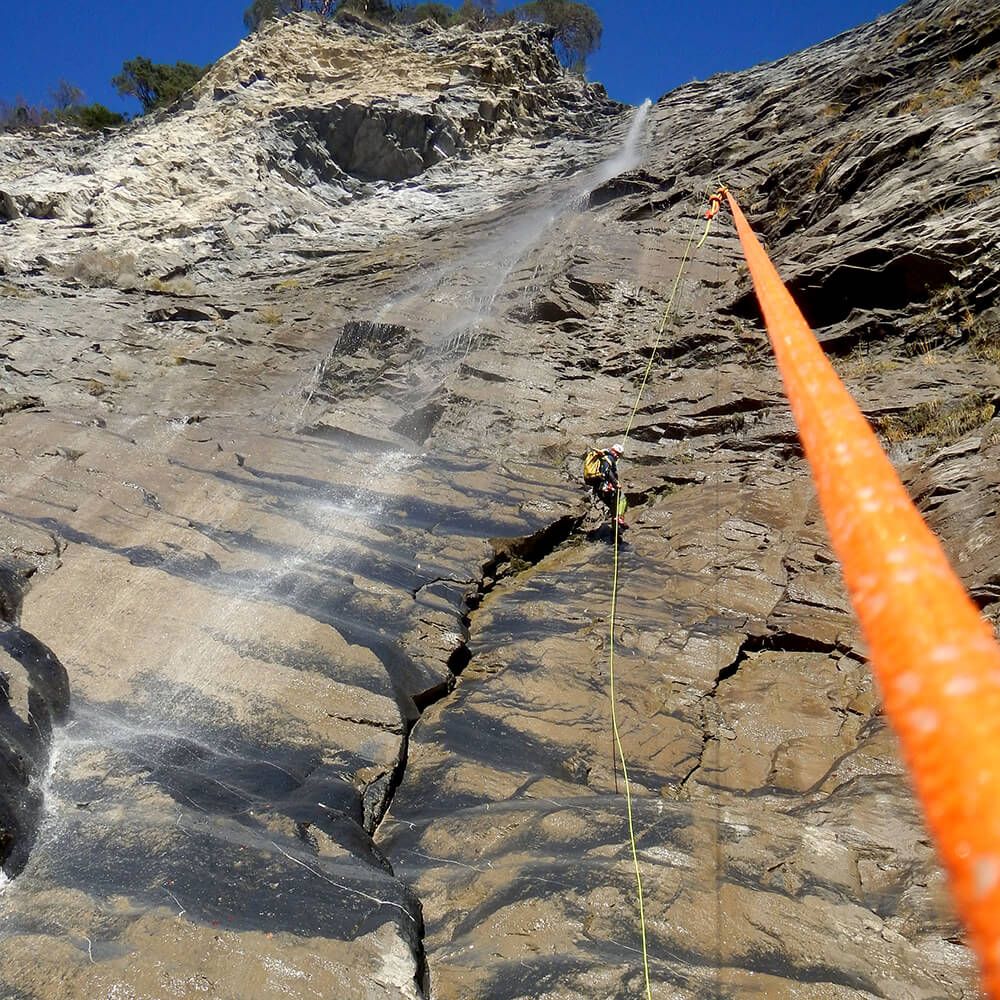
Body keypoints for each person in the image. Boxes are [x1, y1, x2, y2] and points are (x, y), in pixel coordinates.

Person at [583, 443, 626, 527]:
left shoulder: (603, 457)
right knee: (622, 498)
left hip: (599, 489)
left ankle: (616, 526)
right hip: (605, 487)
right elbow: (607, 472)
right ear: (613, 451)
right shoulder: (609, 458)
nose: (617, 457)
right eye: (617, 454)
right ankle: (619, 518)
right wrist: (615, 483)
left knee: (613, 505)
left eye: (619, 455)